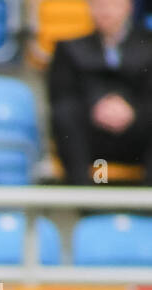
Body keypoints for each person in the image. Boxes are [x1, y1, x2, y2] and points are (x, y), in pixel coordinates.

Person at [49, 0, 152, 186]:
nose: (106, 11)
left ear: (128, 7)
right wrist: (97, 106)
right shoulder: (69, 48)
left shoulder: (148, 46)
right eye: (100, 5)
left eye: (113, 5)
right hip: (93, 139)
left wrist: (131, 110)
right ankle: (86, 198)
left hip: (138, 135)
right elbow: (61, 95)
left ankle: (147, 202)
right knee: (64, 114)